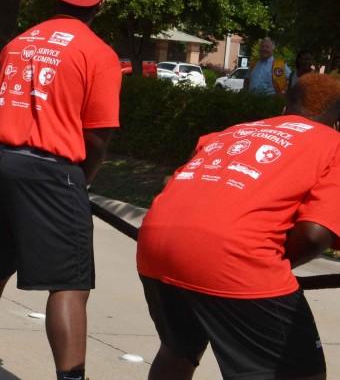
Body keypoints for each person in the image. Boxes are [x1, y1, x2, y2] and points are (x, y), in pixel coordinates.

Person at [0, 0, 122, 380]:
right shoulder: (98, 54)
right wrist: (85, 177)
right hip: (52, 167)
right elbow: (98, 137)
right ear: (99, 4)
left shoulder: (19, 43)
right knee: (69, 282)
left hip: (0, 161)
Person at [137, 73, 340, 380]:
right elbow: (315, 234)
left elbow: (178, 184)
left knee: (179, 349)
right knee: (300, 372)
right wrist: (271, 265)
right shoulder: (333, 145)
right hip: (233, 255)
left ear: (286, 104)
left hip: (156, 241)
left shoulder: (235, 131)